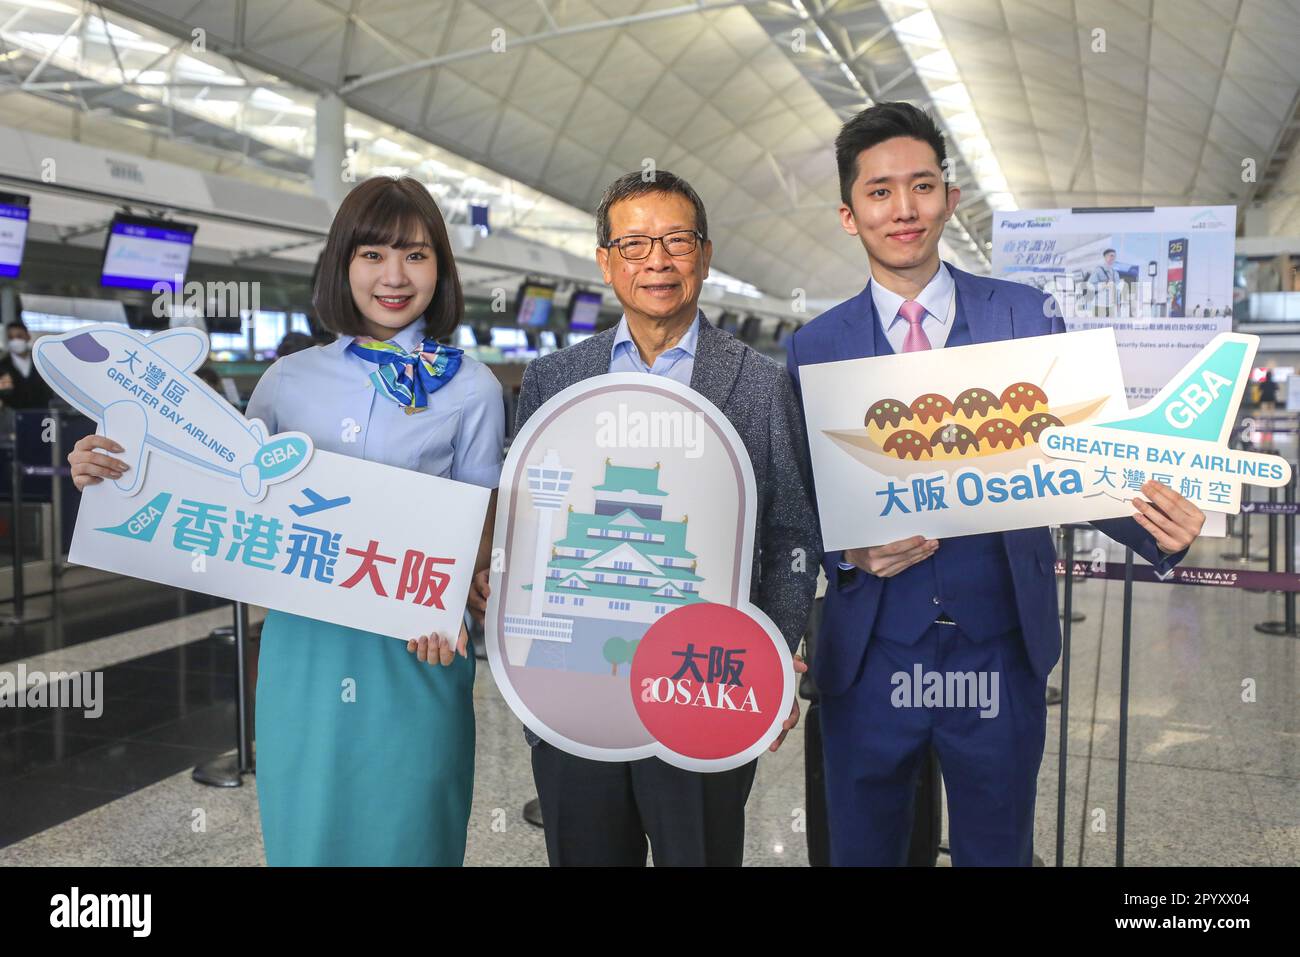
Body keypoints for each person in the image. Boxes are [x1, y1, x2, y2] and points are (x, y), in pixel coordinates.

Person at [786, 102, 1206, 866]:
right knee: (864, 849)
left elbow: (1074, 453)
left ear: (951, 197)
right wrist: (847, 551)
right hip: (871, 653)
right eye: (879, 192)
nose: (903, 209)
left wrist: (1157, 522)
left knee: (997, 850)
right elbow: (797, 500)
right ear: (849, 215)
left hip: (999, 651)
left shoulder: (1025, 314)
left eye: (921, 186)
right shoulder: (814, 346)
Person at [68, 176, 504, 865]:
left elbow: (481, 522)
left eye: (416, 255)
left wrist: (459, 600)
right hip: (306, 644)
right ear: (342, 263)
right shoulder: (287, 380)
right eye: (372, 254)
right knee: (310, 834)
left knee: (411, 832)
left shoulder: (472, 387)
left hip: (415, 647)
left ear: (441, 269)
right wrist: (113, 467)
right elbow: (216, 484)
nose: (394, 275)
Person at [471, 170, 821, 866]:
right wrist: (496, 574)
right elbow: (530, 514)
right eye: (633, 243)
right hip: (571, 688)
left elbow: (790, 530)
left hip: (705, 684)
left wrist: (773, 657)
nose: (655, 260)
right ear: (605, 259)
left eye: (675, 240)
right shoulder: (556, 376)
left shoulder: (758, 380)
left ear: (705, 252)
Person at [0, 321, 55, 409]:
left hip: (41, 415)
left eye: (19, 336)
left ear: (28, 337)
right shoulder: (3, 366)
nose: (15, 341)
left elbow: (49, 391)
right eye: (11, 338)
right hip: (13, 418)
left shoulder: (41, 362)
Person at [1089, 248, 1121, 317]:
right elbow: (1090, 286)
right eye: (1111, 256)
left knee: (1110, 326)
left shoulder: (1116, 274)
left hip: (1111, 306)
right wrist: (1103, 285)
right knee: (1099, 326)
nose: (1113, 258)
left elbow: (1117, 290)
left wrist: (1118, 304)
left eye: (1114, 256)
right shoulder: (1098, 270)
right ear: (1105, 257)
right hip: (1099, 305)